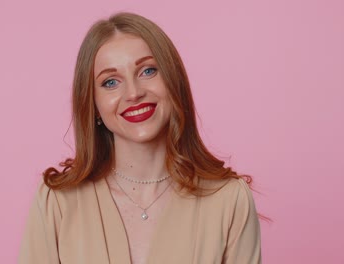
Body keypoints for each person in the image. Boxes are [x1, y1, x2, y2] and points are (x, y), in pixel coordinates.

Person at [19, 12, 262, 264]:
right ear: (93, 105)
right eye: (111, 82)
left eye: (148, 71)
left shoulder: (229, 200)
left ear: (173, 80)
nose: (133, 93)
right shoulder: (57, 202)